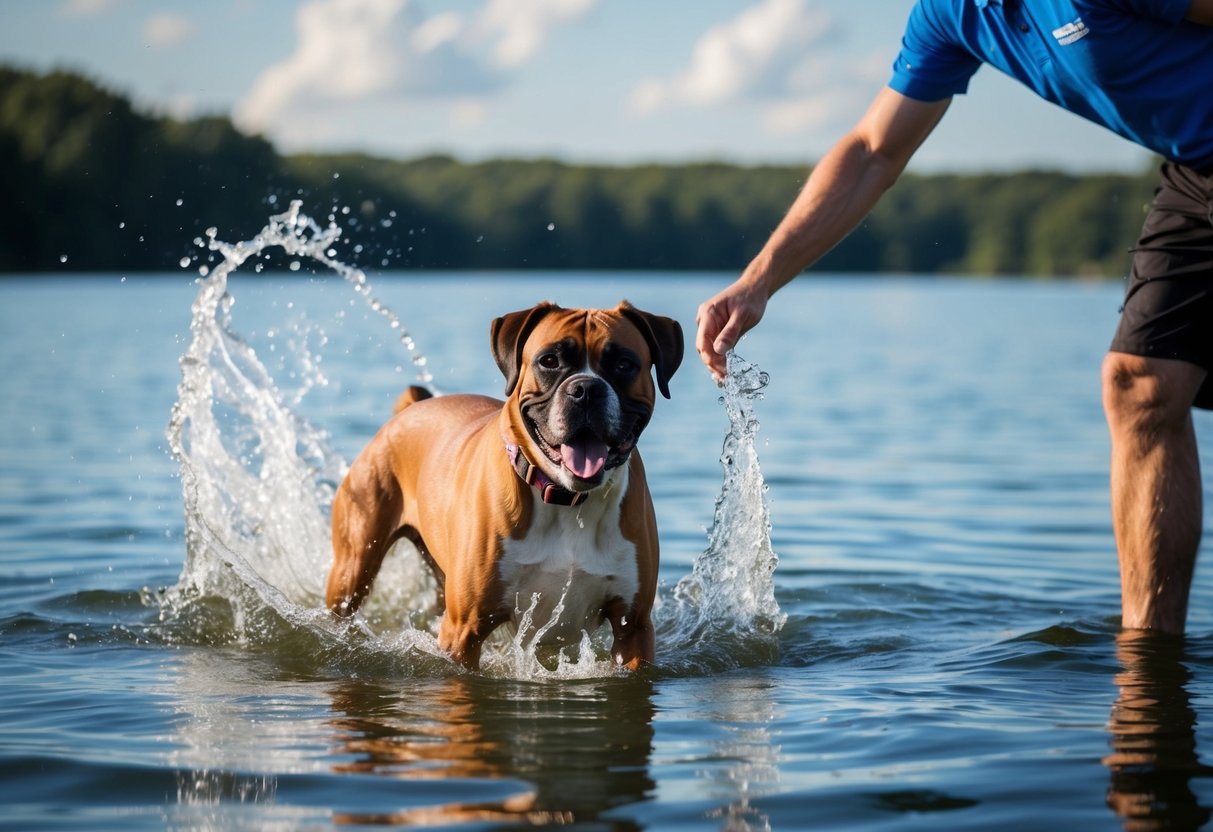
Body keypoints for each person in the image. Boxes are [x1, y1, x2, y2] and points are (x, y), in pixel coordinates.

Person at [695, 0, 1213, 635]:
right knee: (1139, 385)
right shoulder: (952, 13)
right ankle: (1149, 664)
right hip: (1198, 167)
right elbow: (873, 152)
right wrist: (759, 280)